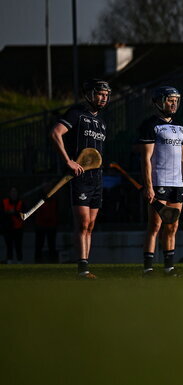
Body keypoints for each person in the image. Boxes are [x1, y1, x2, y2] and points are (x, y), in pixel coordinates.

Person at [50, 78, 110, 278]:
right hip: (80, 177)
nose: (103, 98)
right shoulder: (76, 113)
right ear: (90, 94)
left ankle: (86, 266)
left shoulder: (101, 122)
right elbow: (56, 133)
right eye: (100, 94)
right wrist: (68, 161)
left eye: (106, 95)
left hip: (97, 178)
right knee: (83, 223)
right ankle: (82, 268)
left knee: (91, 225)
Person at [138, 86, 183, 276]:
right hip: (159, 181)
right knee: (155, 225)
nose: (174, 103)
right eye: (170, 100)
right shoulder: (150, 126)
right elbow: (146, 159)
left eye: (176, 99)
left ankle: (169, 266)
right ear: (159, 102)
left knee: (173, 226)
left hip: (178, 184)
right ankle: (148, 267)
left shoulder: (180, 127)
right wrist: (149, 186)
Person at [2, 187, 23, 263]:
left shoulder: (21, 202)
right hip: (8, 228)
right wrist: (8, 213)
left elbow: (24, 214)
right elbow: (2, 214)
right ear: (9, 193)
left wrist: (15, 212)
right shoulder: (4, 202)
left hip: (18, 228)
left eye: (15, 192)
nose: (13, 194)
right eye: (12, 192)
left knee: (18, 246)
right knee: (9, 246)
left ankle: (20, 263)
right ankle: (9, 262)